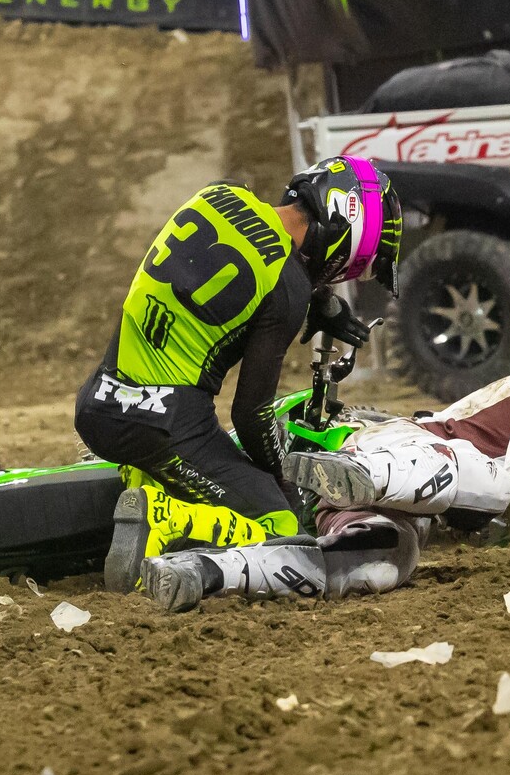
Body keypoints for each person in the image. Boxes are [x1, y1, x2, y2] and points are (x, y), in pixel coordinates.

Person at [138, 313, 510, 612]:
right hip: (403, 453)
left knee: (380, 566)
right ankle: (353, 477)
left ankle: (202, 571)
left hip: (413, 498)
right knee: (485, 478)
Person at [83, 157, 401, 593]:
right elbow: (251, 416)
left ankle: (145, 484)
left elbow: (248, 259)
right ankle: (165, 518)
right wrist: (281, 476)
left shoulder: (223, 192)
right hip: (163, 424)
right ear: (346, 233)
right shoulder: (287, 289)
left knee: (226, 469)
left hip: (100, 400)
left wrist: (321, 303)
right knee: (283, 525)